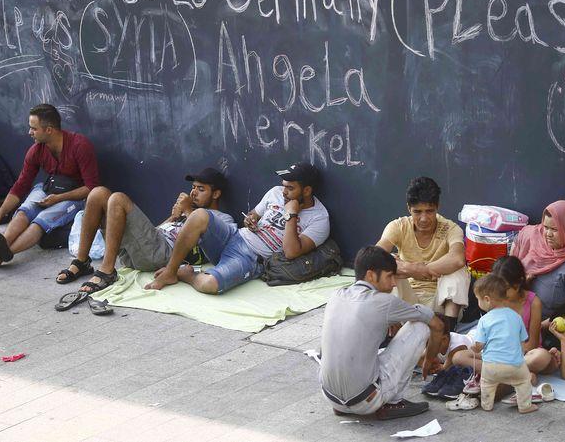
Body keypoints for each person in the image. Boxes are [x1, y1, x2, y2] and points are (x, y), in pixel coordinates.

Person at [144, 161, 329, 294]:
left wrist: (292, 215)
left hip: (250, 257)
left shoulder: (320, 219)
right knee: (199, 215)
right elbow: (253, 214)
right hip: (234, 236)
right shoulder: (275, 193)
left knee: (210, 284)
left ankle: (186, 274)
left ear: (306, 190)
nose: (284, 192)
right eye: (284, 186)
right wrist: (250, 220)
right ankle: (170, 271)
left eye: (290, 188)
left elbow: (291, 252)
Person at [57, 168, 234, 294]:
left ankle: (107, 270)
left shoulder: (223, 220)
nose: (194, 193)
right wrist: (172, 218)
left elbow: (211, 249)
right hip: (143, 251)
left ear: (216, 194)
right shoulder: (188, 211)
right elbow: (155, 233)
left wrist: (189, 212)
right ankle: (82, 261)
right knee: (98, 193)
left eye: (201, 189)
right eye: (193, 187)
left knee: (118, 198)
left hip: (166, 254)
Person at [319, 245, 445, 420]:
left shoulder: (337, 295)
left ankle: (344, 406)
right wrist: (428, 359)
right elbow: (437, 325)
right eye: (389, 276)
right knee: (420, 326)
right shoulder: (384, 302)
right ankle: (394, 402)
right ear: (371, 275)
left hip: (331, 397)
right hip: (365, 401)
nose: (394, 283)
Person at [0, 104, 99, 271]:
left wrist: (58, 198)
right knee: (23, 212)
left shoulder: (79, 145)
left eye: (33, 128)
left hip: (74, 197)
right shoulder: (36, 151)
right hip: (48, 188)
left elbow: (91, 188)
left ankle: (0, 254)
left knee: (40, 222)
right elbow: (20, 185)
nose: (29, 132)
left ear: (49, 130)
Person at [453, 256, 558, 392]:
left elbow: (532, 343)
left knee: (542, 356)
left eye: (506, 288)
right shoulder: (495, 300)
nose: (501, 293)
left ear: (519, 282)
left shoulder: (533, 302)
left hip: (523, 353)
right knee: (459, 357)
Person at [377, 177, 469, 331]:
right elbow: (376, 255)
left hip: (441, 304)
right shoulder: (398, 226)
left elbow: (458, 258)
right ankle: (390, 326)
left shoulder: (450, 228)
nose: (424, 218)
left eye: (429, 211)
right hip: (406, 303)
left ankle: (448, 330)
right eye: (417, 212)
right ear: (409, 208)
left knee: (458, 269)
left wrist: (419, 269)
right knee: (386, 262)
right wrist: (406, 268)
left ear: (437, 207)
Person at [471, 274, 538, 414]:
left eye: (478, 299)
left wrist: (475, 348)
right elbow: (523, 341)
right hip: (514, 365)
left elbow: (479, 346)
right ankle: (525, 406)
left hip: (490, 366)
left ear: (487, 300)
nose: (478, 302)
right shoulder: (516, 316)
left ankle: (487, 404)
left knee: (487, 383)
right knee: (524, 381)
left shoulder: (484, 320)